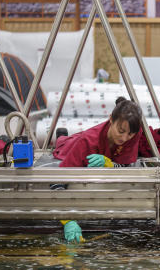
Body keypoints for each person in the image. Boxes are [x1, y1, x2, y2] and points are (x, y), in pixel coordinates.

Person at [52, 97, 144, 242]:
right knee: (64, 145)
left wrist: (110, 164)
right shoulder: (88, 141)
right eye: (121, 131)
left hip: (101, 153)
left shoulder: (134, 133)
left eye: (129, 134)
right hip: (74, 145)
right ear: (110, 120)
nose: (125, 138)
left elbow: (127, 166)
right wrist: (67, 219)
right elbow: (57, 181)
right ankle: (61, 136)